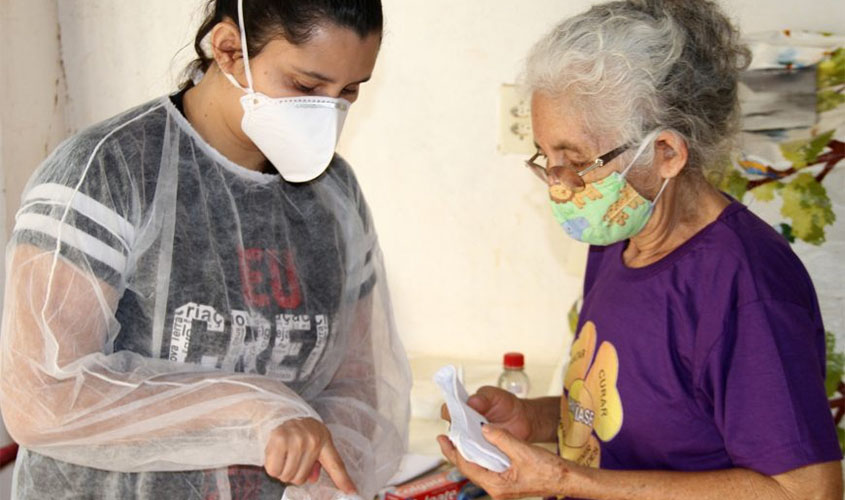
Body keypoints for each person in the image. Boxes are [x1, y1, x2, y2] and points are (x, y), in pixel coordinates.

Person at [0, 0, 410, 499]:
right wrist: (255, 410)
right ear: (229, 49)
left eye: (348, 92)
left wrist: (326, 475)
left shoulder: (334, 195)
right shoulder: (110, 172)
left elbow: (360, 389)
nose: (327, 113)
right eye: (306, 87)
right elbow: (42, 397)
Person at [438, 1, 844, 498]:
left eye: (576, 161)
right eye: (546, 157)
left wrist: (564, 479)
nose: (559, 185)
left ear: (666, 153)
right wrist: (533, 418)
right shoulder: (618, 236)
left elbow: (806, 491)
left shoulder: (745, 287)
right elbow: (634, 416)